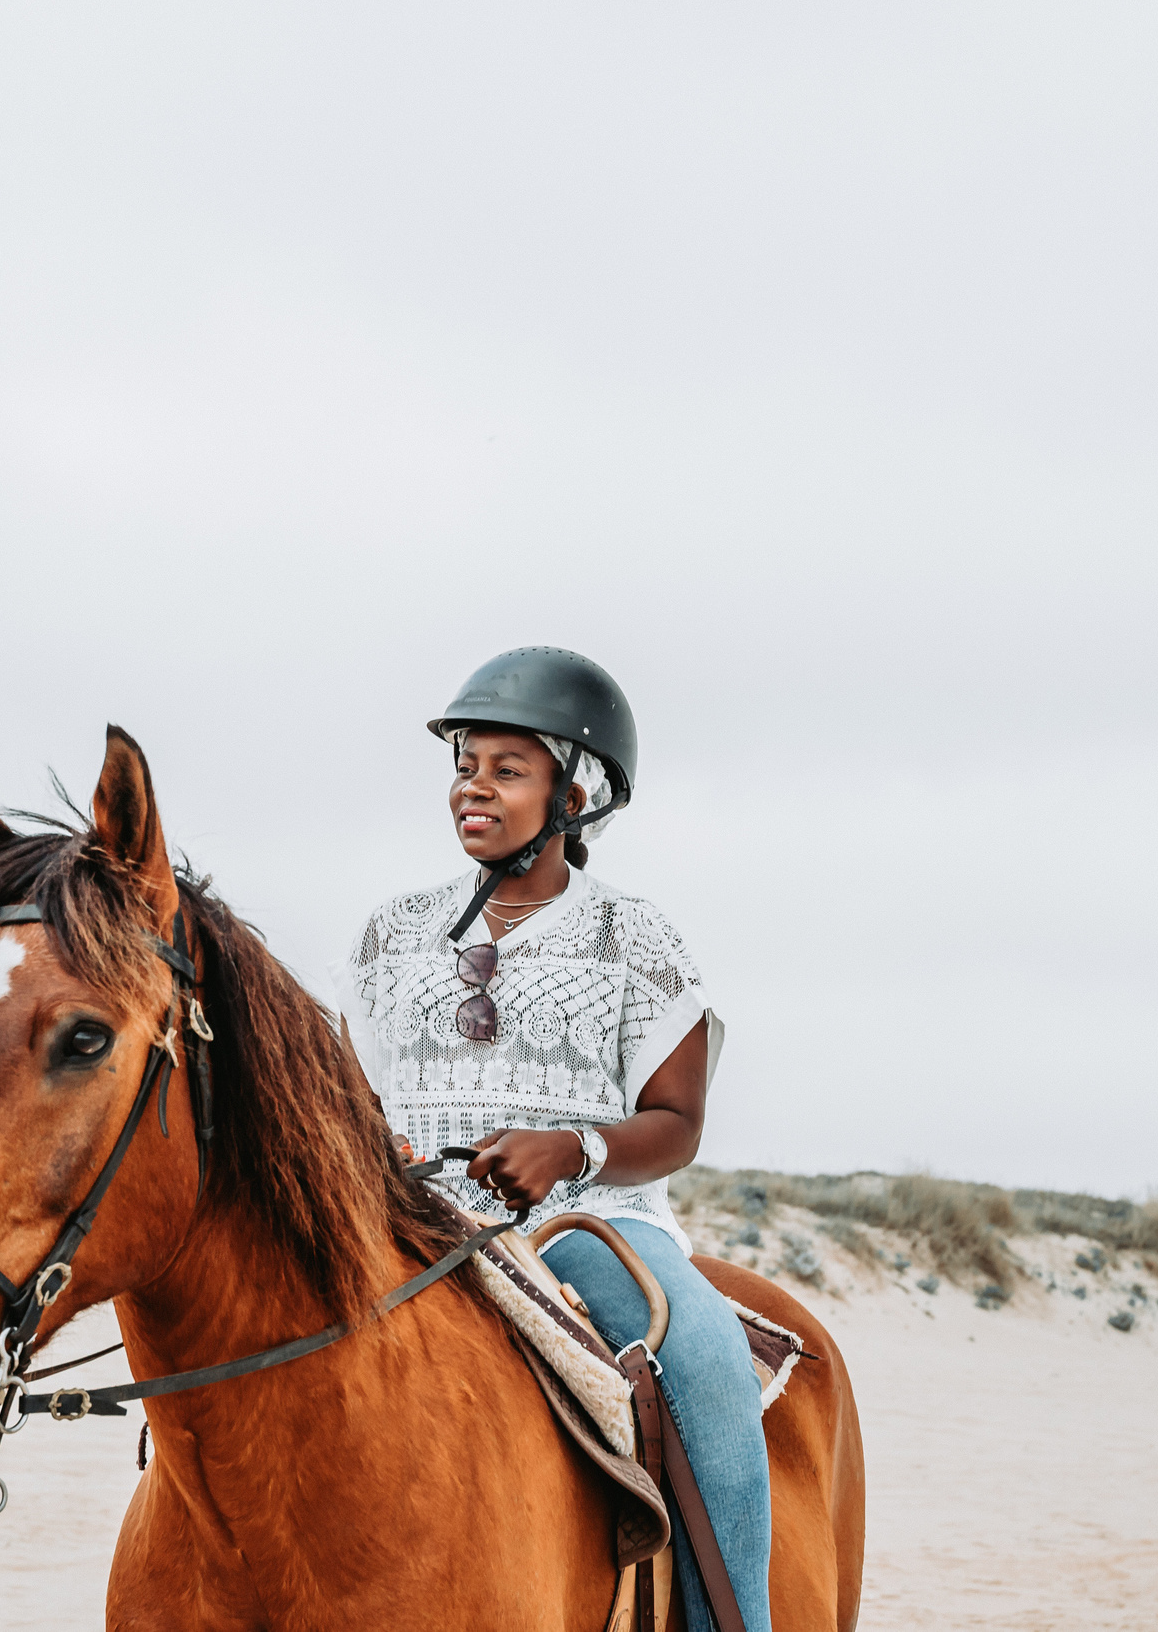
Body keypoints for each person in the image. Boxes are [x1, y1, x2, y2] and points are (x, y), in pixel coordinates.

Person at [336, 646, 770, 1632]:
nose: (473, 788)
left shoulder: (635, 938)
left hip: (589, 1227)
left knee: (705, 1362)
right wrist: (372, 1152)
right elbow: (350, 1097)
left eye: (507, 769)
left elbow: (677, 1122)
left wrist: (571, 1149)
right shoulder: (388, 934)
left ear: (574, 795)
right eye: (464, 766)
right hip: (410, 1225)